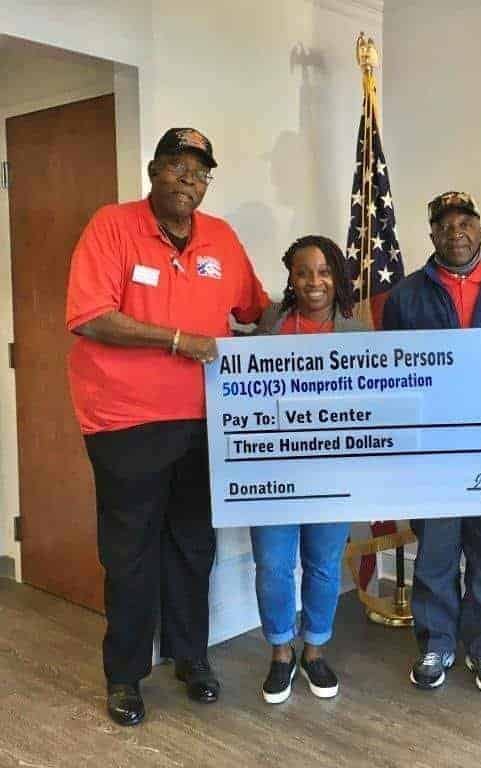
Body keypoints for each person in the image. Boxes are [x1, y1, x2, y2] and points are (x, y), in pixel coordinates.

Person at [66, 128, 271, 726]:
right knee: (130, 554)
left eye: (200, 172)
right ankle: (125, 676)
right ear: (155, 171)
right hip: (125, 423)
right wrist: (180, 340)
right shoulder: (112, 226)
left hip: (205, 423)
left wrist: (328, 315)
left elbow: (252, 310)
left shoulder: (223, 239)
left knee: (192, 547)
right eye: (178, 167)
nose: (189, 179)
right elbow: (90, 316)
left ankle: (191, 659)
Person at [382, 191, 481, 696]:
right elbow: (391, 378)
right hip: (435, 452)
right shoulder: (406, 295)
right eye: (445, 224)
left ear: (480, 228)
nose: (456, 232)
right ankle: (437, 642)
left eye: (465, 221)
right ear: (431, 234)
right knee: (436, 553)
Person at [250, 235, 367, 704]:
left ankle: (315, 650)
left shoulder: (357, 334)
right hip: (273, 474)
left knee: (321, 565)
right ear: (291, 278)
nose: (313, 281)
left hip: (333, 476)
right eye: (303, 272)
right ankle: (281, 652)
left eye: (323, 271)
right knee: (274, 566)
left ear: (336, 276)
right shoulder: (270, 326)